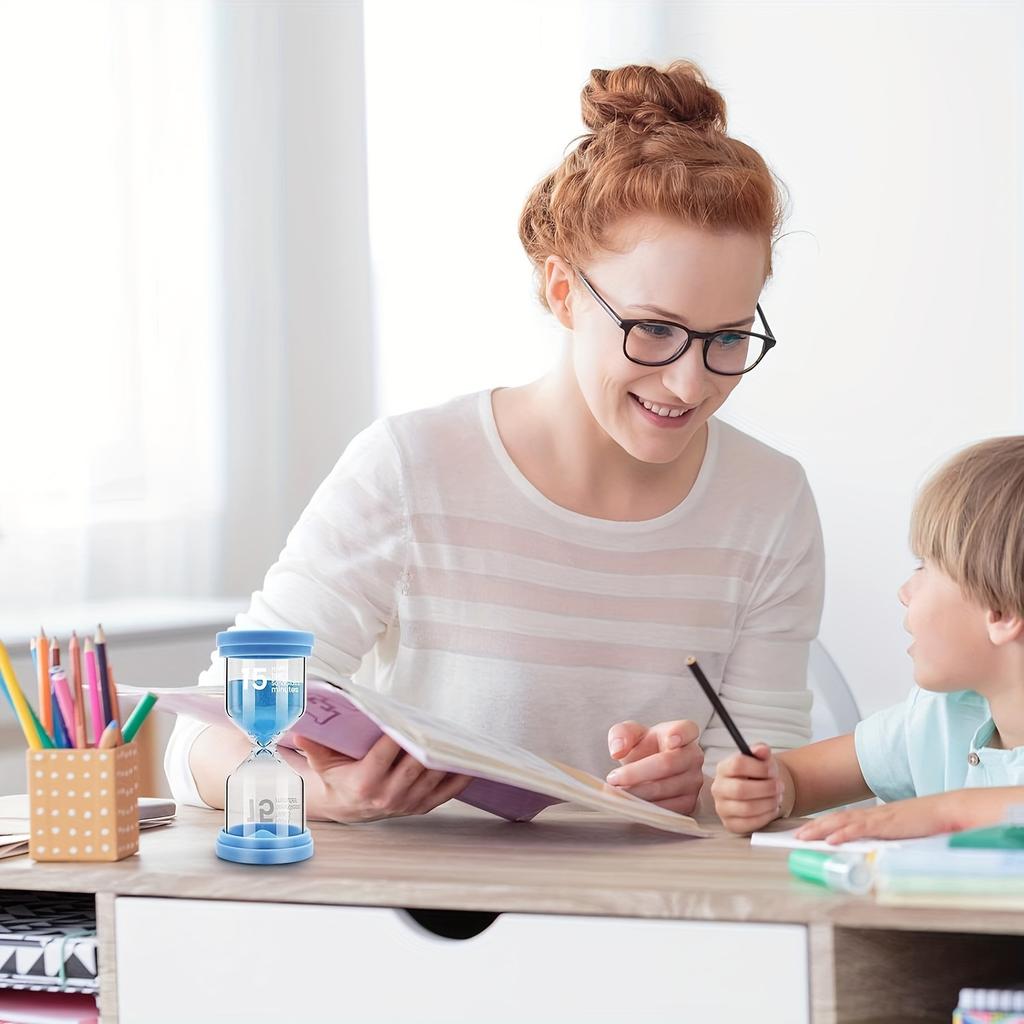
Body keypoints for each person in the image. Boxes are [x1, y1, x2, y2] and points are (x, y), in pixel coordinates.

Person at [165, 61, 825, 823]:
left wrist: (702, 794)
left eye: (729, 338)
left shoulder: (769, 502)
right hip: (425, 919)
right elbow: (200, 748)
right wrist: (329, 796)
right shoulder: (413, 471)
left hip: (644, 921)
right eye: (653, 329)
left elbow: (762, 781)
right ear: (562, 292)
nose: (688, 383)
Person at [713, 436, 1024, 843]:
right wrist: (767, 789)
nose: (905, 592)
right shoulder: (937, 717)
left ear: (1000, 613)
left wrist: (949, 811)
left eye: (924, 567)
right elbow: (798, 779)